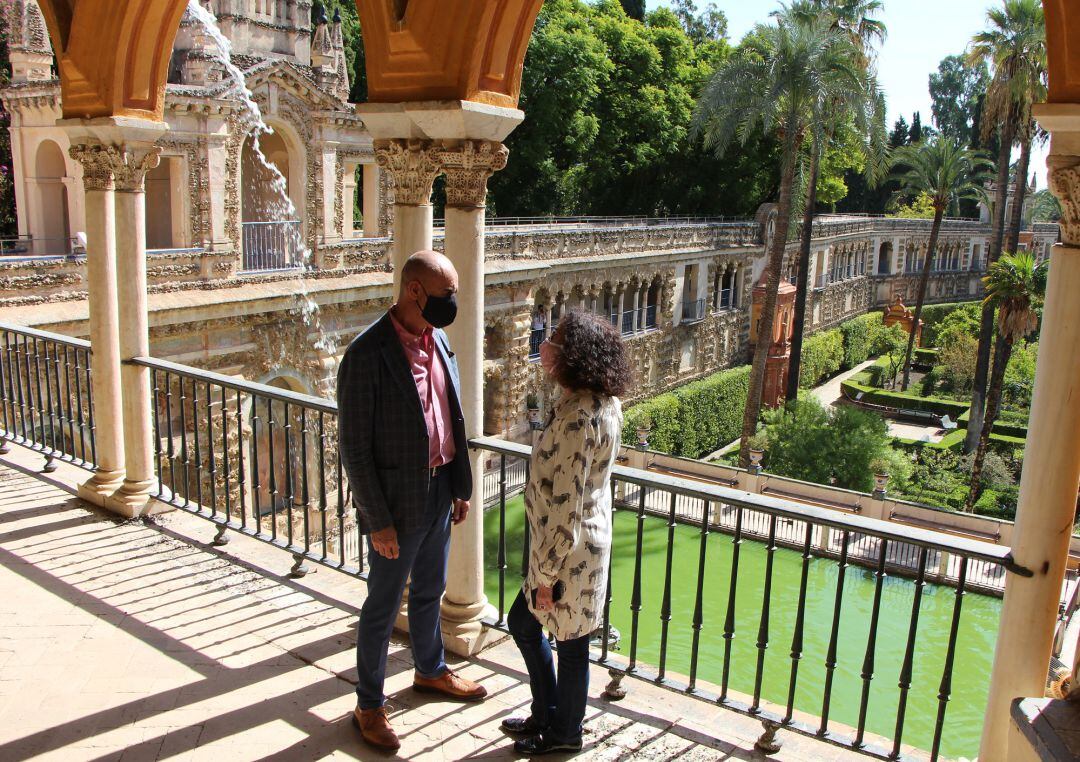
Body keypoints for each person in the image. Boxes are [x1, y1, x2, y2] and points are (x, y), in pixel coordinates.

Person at [337, 250, 487, 752]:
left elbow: (452, 416)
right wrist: (377, 520)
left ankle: (430, 671)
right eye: (447, 295)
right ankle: (368, 703)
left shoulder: (439, 340)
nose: (454, 304)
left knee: (431, 591)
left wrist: (458, 487)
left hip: (440, 487)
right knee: (382, 606)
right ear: (414, 291)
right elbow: (355, 449)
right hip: (396, 505)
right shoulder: (366, 354)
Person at [503, 310, 631, 755]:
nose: (546, 343)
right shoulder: (603, 402)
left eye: (554, 338)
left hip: (569, 552)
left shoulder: (579, 415)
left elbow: (567, 503)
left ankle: (563, 733)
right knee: (536, 628)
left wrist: (546, 577)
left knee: (563, 642)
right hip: (584, 545)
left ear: (574, 355)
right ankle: (549, 715)